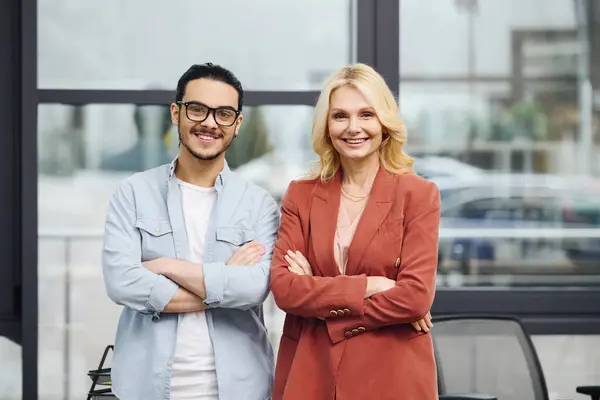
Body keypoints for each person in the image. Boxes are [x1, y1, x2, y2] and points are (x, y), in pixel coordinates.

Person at [102, 63, 280, 400]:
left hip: (240, 388)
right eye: (197, 109)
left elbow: (255, 288)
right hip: (146, 388)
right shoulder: (133, 193)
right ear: (176, 113)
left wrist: (167, 267)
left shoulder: (259, 204)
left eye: (224, 113)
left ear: (237, 124)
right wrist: (224, 280)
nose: (210, 122)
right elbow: (122, 282)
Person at [269, 63, 440, 400]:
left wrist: (321, 295)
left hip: (393, 375)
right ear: (327, 125)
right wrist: (372, 286)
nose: (353, 128)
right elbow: (285, 290)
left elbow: (415, 298)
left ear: (384, 123)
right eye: (340, 116)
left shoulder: (418, 195)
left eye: (366, 114)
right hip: (312, 369)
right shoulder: (300, 195)